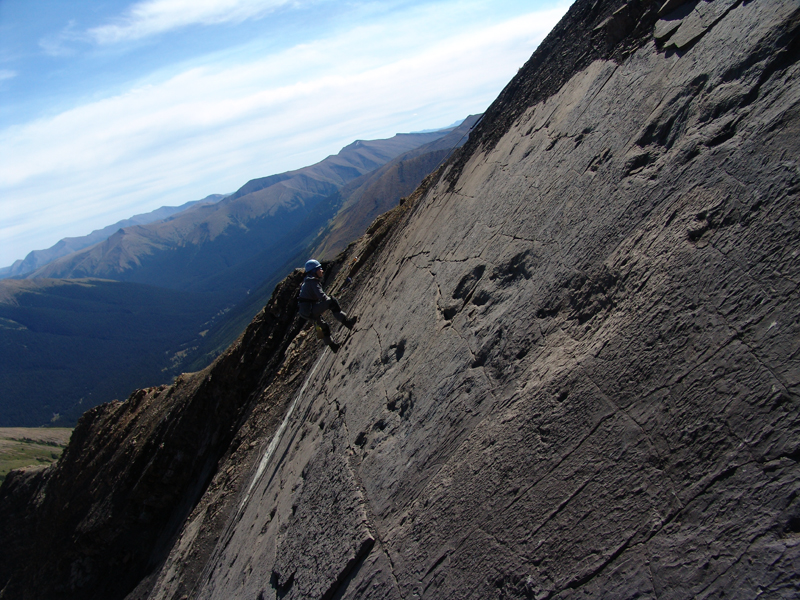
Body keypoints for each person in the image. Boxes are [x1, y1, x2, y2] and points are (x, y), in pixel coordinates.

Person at [298, 259, 356, 353]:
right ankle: (347, 322)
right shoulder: (312, 282)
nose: (322, 270)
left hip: (306, 311)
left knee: (323, 326)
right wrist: (330, 299)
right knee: (331, 302)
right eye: (319, 269)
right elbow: (322, 297)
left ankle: (333, 346)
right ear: (314, 271)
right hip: (310, 310)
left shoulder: (307, 281)